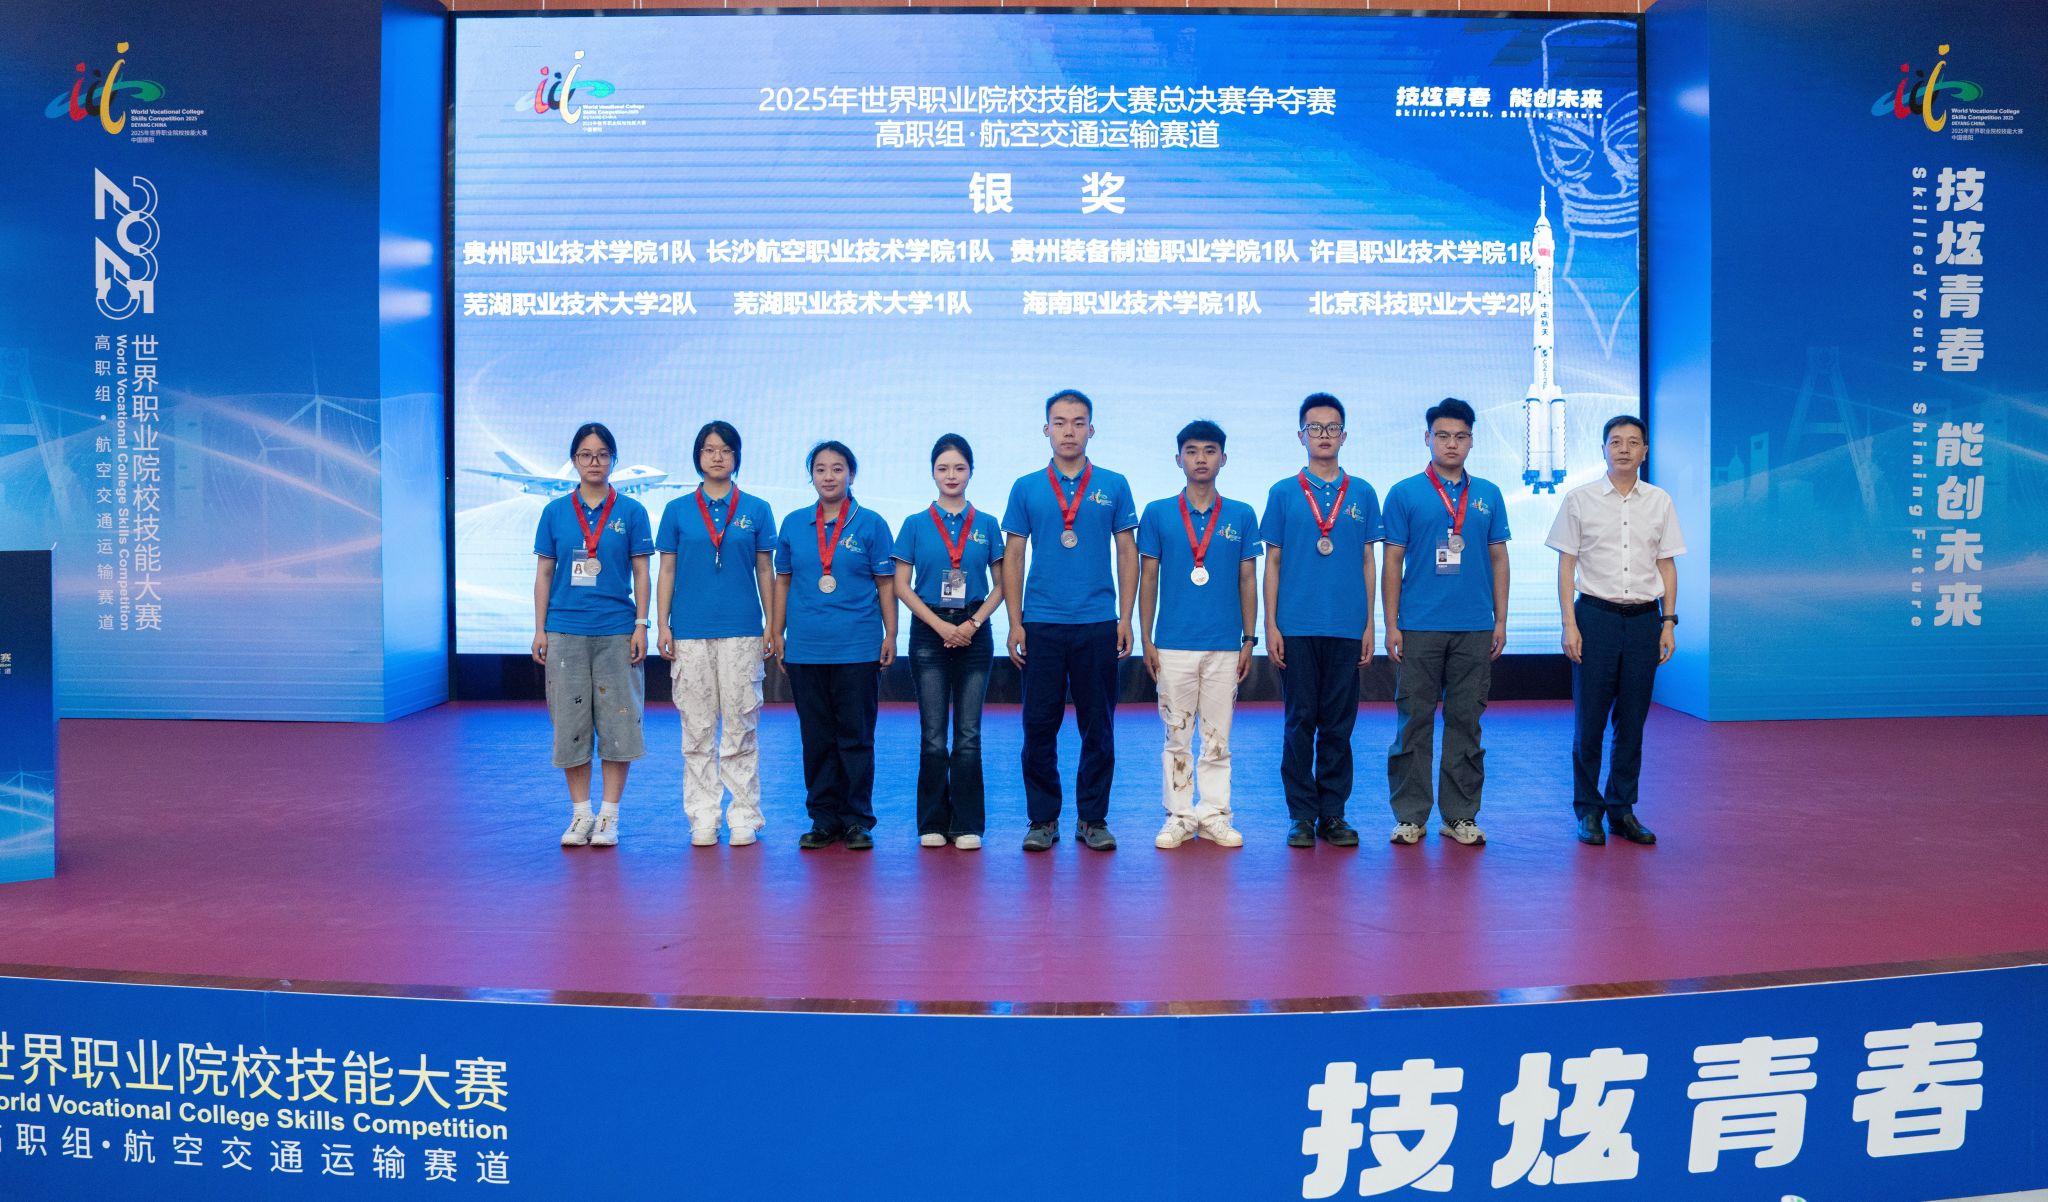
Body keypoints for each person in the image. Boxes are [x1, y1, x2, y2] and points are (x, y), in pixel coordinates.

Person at [1001, 389, 1139, 853]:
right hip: (1041, 623)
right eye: (1059, 423)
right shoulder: (1026, 487)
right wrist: (1015, 621)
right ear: (1046, 429)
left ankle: (1092, 819)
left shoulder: (1114, 484)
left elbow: (1126, 552)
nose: (1069, 431)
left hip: (1098, 622)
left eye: (1078, 423)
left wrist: (1125, 616)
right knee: (1038, 726)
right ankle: (1042, 820)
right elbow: (1014, 555)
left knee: (1098, 727)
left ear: (1091, 430)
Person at [1545, 415, 1684, 846]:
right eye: (1616, 441)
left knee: (1633, 720)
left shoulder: (1659, 501)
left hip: (1644, 620)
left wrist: (1668, 622)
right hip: (1595, 618)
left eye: (1633, 442)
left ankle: (1622, 809)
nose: (1624, 449)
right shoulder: (1579, 499)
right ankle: (1588, 810)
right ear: (1603, 449)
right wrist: (1569, 623)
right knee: (1589, 721)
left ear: (1645, 450)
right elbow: (1566, 565)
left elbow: (1666, 565)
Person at [1381, 397, 1511, 847]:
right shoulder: (1404, 493)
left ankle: (1459, 815)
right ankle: (1410, 816)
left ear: (1471, 441)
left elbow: (1499, 559)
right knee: (1413, 721)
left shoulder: (1489, 494)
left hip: (1474, 626)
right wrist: (1392, 623)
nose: (1451, 444)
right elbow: (1392, 561)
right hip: (1419, 625)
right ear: (1427, 438)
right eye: (1442, 435)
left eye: (1460, 436)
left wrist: (1500, 620)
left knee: (1466, 722)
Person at [1261, 394, 1383, 849]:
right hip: (1296, 626)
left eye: (1332, 428)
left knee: (1338, 725)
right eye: (1315, 428)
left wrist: (1370, 624)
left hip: (1346, 627)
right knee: (1299, 722)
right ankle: (1301, 815)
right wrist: (1271, 625)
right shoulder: (1283, 493)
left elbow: (1368, 561)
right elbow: (1273, 563)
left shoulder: (1363, 493)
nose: (1324, 435)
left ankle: (1333, 813)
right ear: (1301, 436)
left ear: (1344, 435)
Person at [1137, 420, 1262, 849]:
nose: (1201, 459)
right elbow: (1148, 577)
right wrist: (1146, 638)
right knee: (1177, 736)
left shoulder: (1242, 514)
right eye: (1192, 451)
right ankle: (1178, 815)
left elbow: (1248, 578)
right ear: (1179, 459)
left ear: (1224, 458)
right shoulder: (1157, 513)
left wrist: (1249, 639)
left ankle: (1214, 815)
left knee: (1217, 739)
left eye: (1210, 451)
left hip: (1224, 646)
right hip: (1172, 645)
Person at [654, 421, 777, 848]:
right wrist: (662, 622)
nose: (717, 456)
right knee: (697, 729)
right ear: (698, 457)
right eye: (709, 450)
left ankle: (744, 815)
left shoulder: (756, 509)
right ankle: (703, 816)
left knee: (741, 725)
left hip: (742, 630)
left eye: (725, 449)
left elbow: (765, 570)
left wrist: (772, 624)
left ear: (736, 456)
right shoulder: (677, 510)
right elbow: (666, 569)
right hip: (690, 631)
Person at [532, 422, 655, 849]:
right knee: (571, 723)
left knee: (619, 722)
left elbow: (642, 572)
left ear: (613, 460)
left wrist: (642, 624)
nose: (594, 462)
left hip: (617, 631)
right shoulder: (554, 512)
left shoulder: (632, 512)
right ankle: (581, 813)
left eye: (603, 454)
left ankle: (609, 816)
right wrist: (540, 628)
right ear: (574, 460)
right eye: (585, 454)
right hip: (565, 631)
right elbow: (544, 574)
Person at [770, 441, 896, 851]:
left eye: (837, 468)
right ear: (812, 476)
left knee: (856, 736)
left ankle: (857, 820)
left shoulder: (871, 524)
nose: (829, 476)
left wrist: (891, 634)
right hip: (806, 648)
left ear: (851, 474)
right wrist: (776, 630)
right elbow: (783, 581)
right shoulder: (793, 523)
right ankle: (823, 819)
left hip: (857, 647)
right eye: (820, 469)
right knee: (817, 737)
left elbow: (885, 584)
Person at [893, 434, 1006, 850]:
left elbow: (1003, 584)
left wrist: (973, 622)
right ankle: (932, 823)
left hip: (975, 632)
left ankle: (967, 824)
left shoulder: (987, 524)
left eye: (959, 467)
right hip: (929, 632)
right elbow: (901, 586)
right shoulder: (914, 524)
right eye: (943, 468)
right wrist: (940, 626)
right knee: (933, 734)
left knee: (969, 734)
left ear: (971, 471)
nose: (951, 475)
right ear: (932, 473)